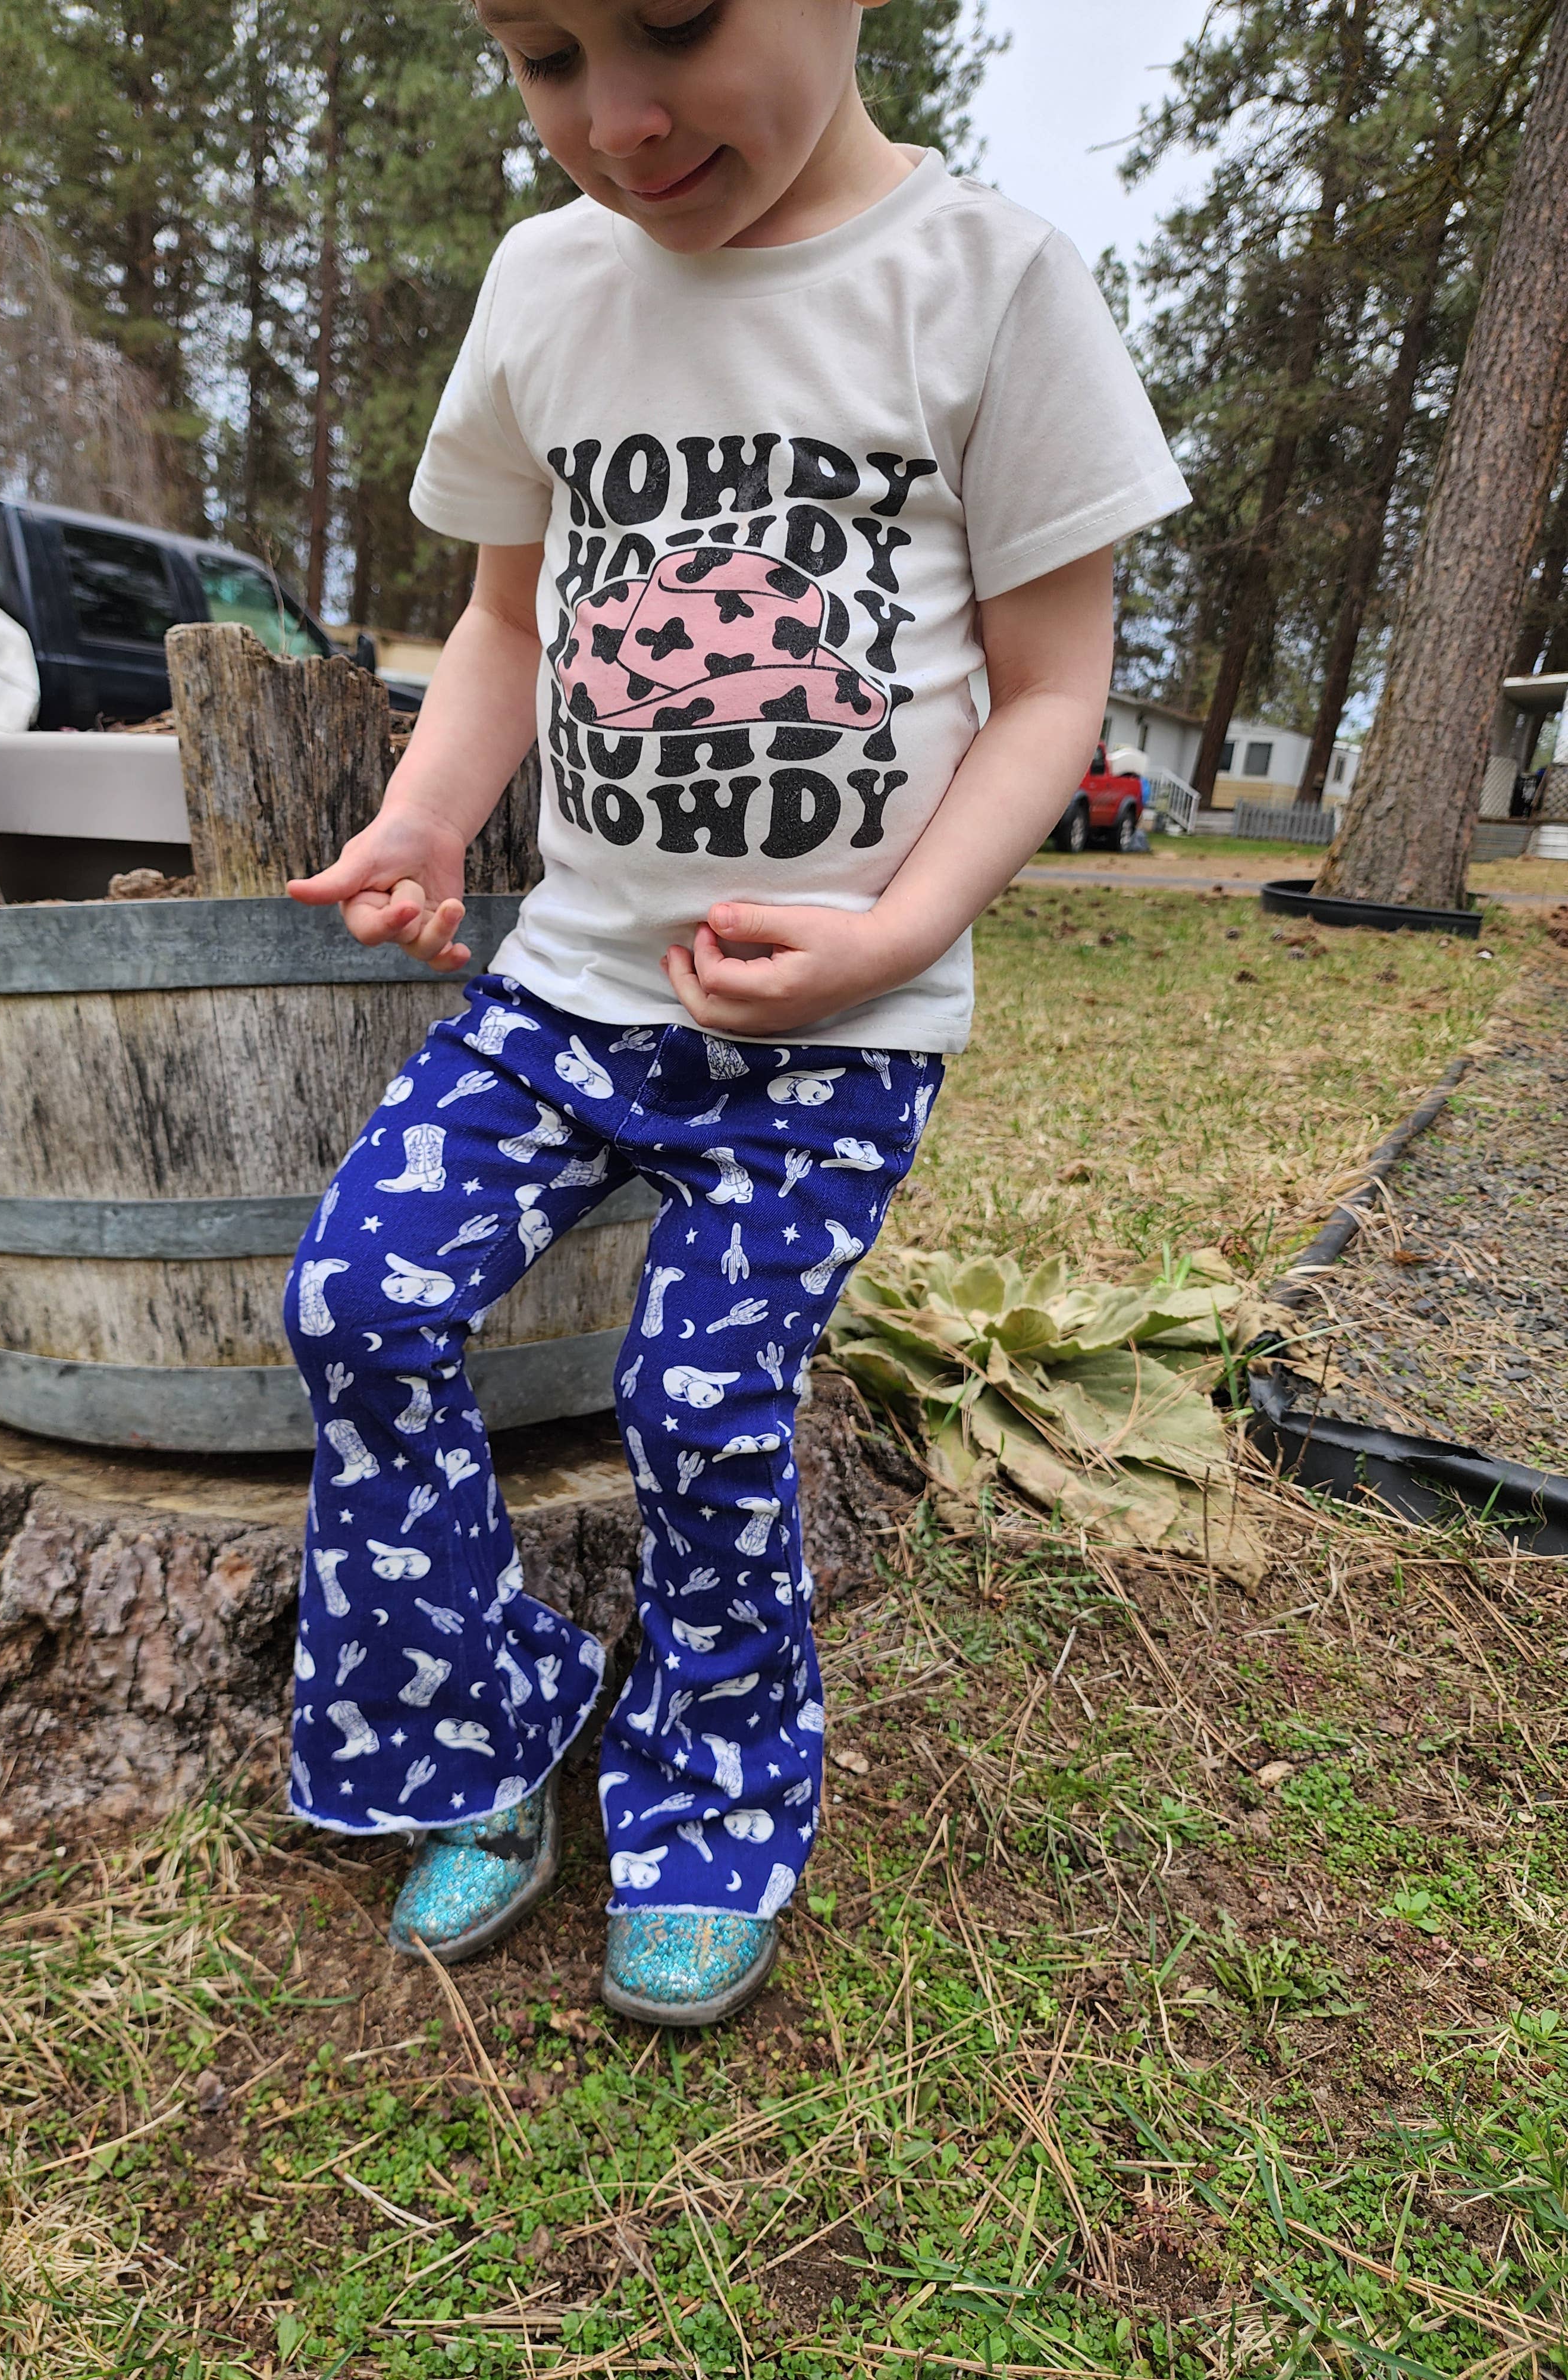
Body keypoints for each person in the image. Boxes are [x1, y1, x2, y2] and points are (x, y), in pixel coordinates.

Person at [282, 0, 1188, 2027]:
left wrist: (897, 934)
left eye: (676, 23)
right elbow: (507, 616)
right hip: (571, 989)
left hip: (834, 1044)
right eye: (543, 56)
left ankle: (707, 1806)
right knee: (358, 1303)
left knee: (700, 1404)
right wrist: (429, 816)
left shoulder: (987, 283)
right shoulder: (548, 285)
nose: (617, 117)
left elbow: (1054, 686)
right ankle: (485, 1722)